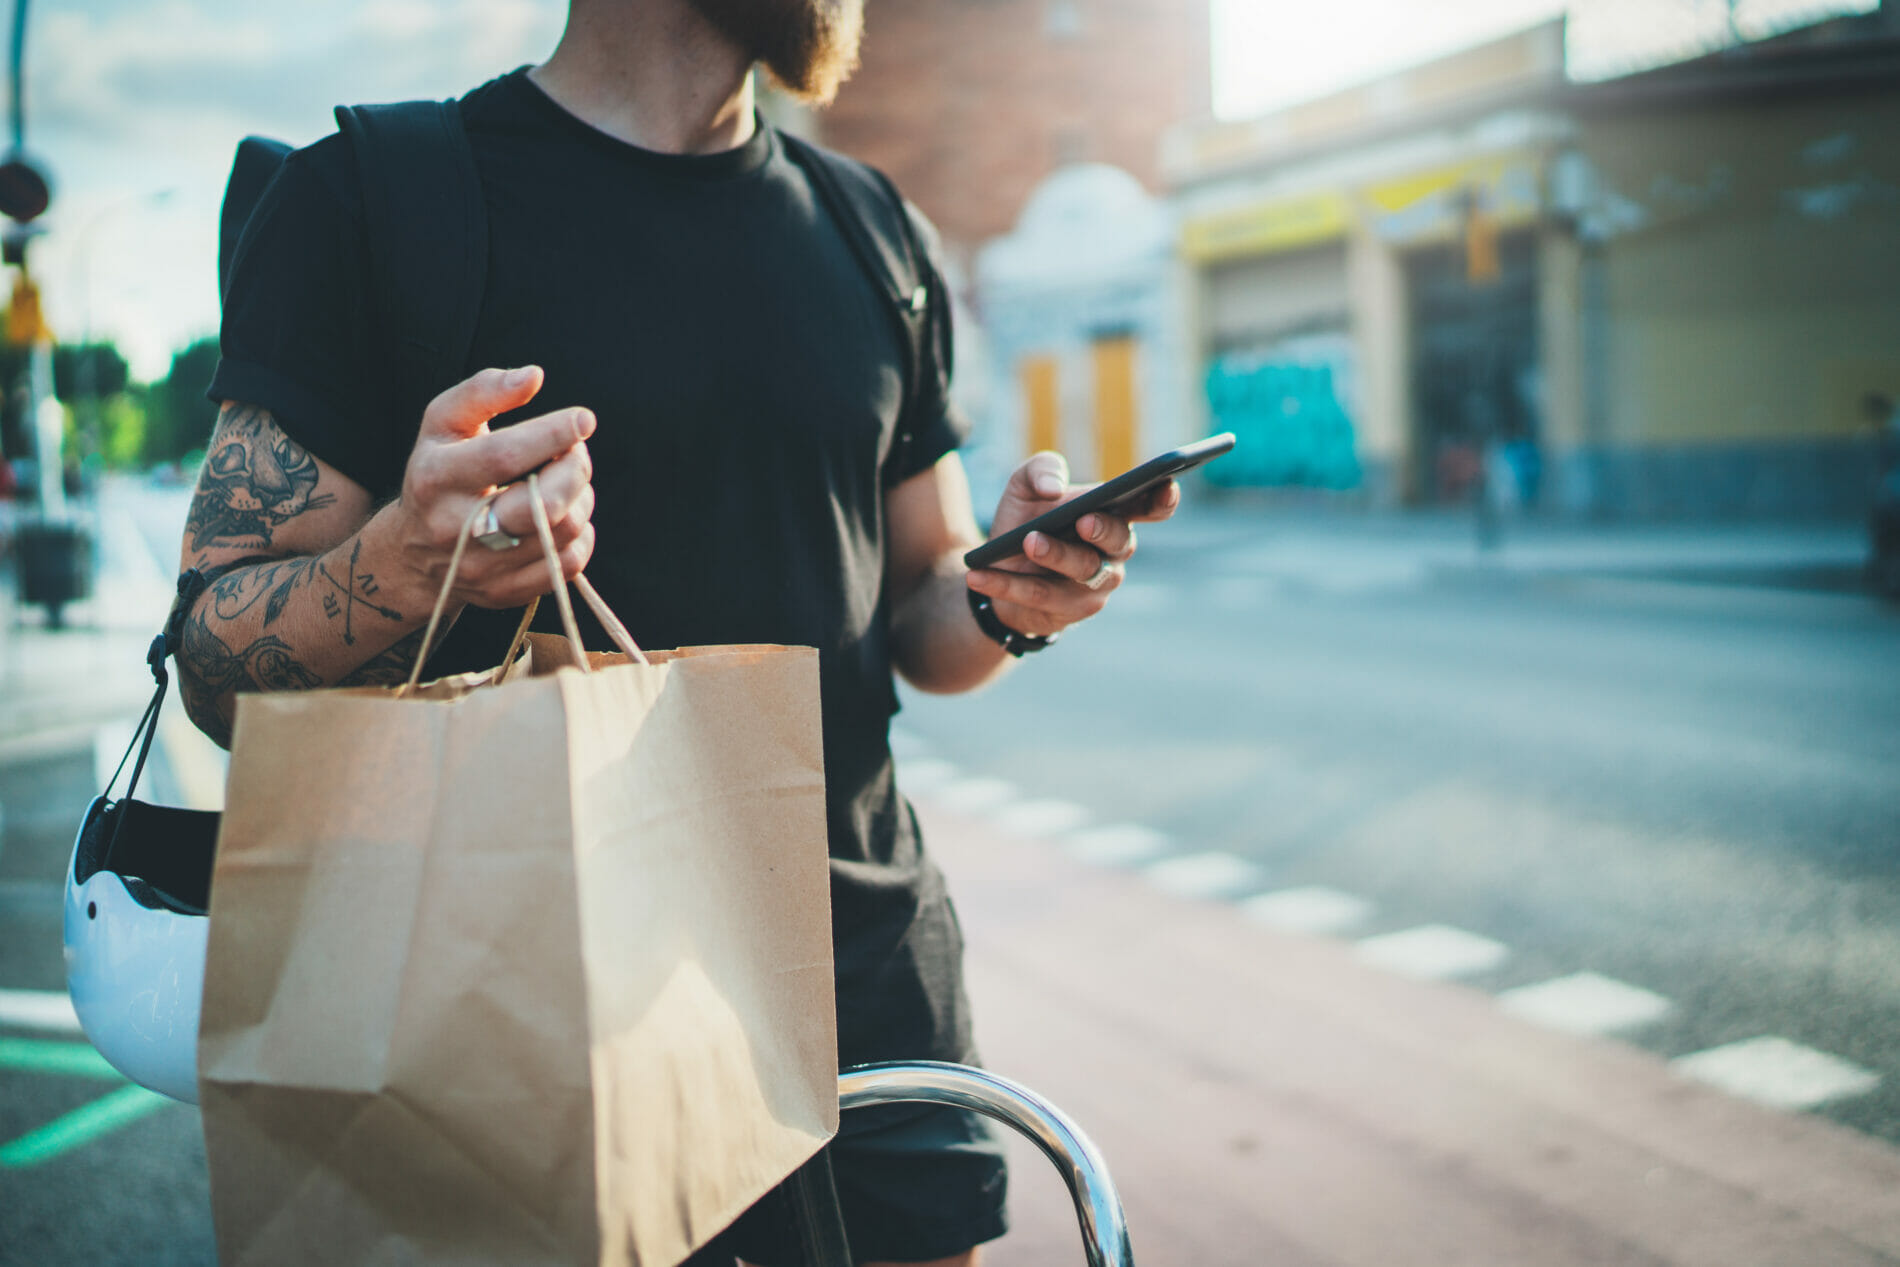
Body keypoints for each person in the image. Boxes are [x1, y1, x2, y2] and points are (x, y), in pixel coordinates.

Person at [174, 1, 1177, 1263]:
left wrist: (1009, 591)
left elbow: (926, 619)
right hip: (510, 1003)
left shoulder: (876, 230)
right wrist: (404, 559)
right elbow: (213, 660)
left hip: (863, 976)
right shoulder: (370, 198)